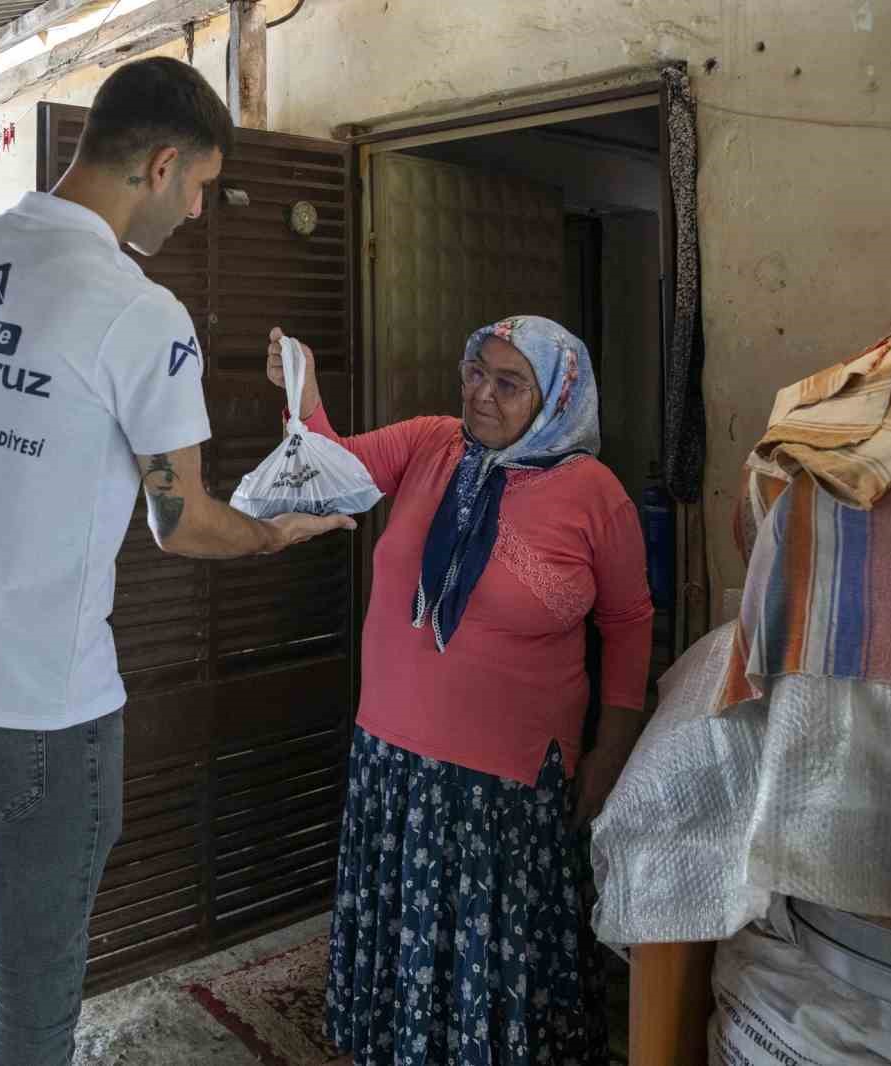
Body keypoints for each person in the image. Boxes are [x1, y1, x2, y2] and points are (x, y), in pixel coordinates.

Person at [0, 58, 354, 1066]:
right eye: (200, 184)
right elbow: (184, 524)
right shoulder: (137, 310)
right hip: (33, 709)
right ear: (160, 164)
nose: (200, 210)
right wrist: (272, 529)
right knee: (33, 1000)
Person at [267, 317, 653, 1065]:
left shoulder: (593, 495)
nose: (481, 394)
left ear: (557, 400)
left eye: (509, 384)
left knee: (491, 951)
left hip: (502, 787)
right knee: (404, 936)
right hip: (393, 758)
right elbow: (332, 473)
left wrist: (612, 748)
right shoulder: (433, 444)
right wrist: (305, 395)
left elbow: (630, 622)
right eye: (476, 371)